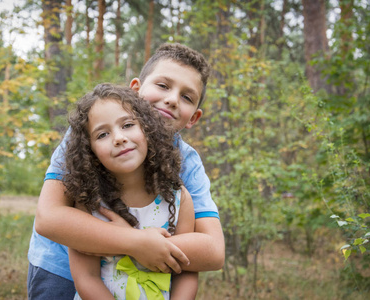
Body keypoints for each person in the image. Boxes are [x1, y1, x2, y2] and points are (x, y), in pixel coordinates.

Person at [27, 43, 225, 299]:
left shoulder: (187, 163)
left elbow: (213, 251)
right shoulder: (92, 135)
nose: (172, 99)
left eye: (186, 97)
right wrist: (135, 242)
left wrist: (144, 246)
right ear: (136, 89)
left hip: (149, 282)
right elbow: (49, 218)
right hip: (61, 269)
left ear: (193, 118)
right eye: (163, 85)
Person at [65, 83, 197, 299]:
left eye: (127, 125)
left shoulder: (178, 199)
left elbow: (187, 272)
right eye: (102, 135)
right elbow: (86, 278)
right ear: (89, 151)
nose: (118, 138)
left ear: (147, 128)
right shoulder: (88, 203)